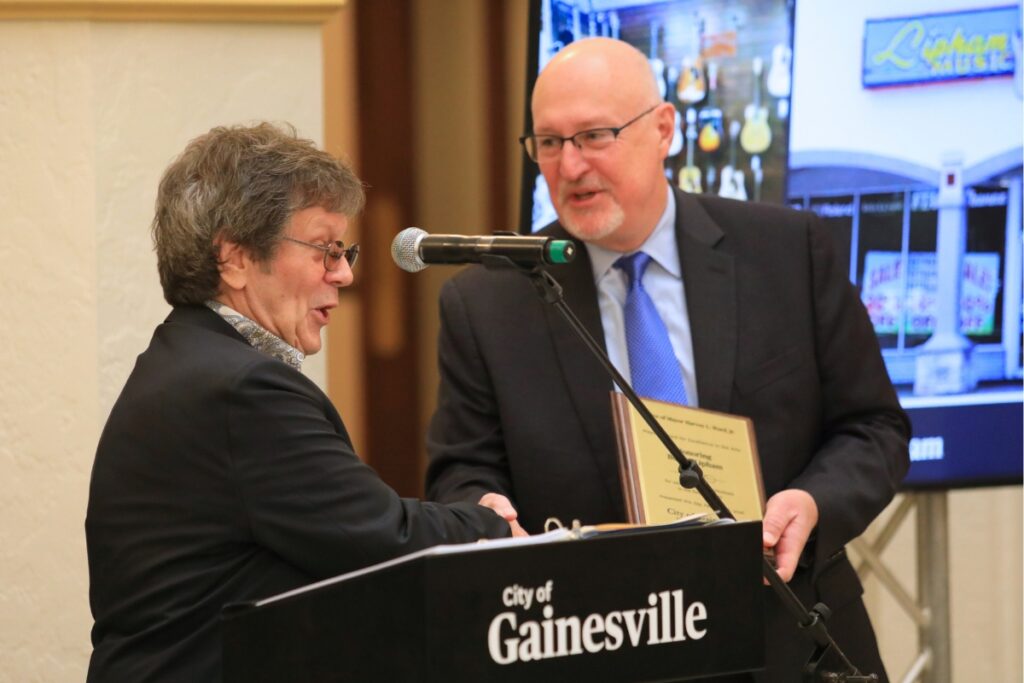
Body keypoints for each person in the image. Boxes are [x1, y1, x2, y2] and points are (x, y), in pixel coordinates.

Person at [425, 38, 910, 682]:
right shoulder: (488, 302)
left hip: (791, 638)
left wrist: (813, 502)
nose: (569, 167)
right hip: (599, 646)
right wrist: (486, 514)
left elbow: (873, 428)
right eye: (548, 143)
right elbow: (462, 472)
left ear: (663, 130)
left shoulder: (788, 253)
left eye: (594, 136)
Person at [85, 123, 520, 682]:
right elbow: (380, 538)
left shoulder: (191, 357)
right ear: (235, 257)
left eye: (345, 251)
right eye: (325, 249)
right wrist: (486, 525)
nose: (344, 272)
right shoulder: (241, 391)